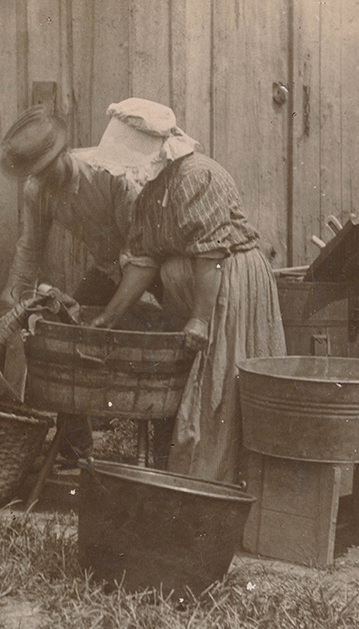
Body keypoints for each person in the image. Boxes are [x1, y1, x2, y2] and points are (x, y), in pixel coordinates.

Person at [0, 99, 199, 464]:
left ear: (64, 151)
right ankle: (75, 444)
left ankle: (166, 449)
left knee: (168, 345)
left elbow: (143, 251)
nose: (45, 177)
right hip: (110, 268)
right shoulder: (37, 191)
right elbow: (30, 249)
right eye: (36, 172)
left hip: (152, 264)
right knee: (68, 334)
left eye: (49, 167)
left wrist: (125, 306)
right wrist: (17, 300)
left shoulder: (110, 176)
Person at [91, 121, 287, 484]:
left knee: (222, 384)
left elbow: (210, 254)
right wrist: (110, 314)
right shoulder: (152, 192)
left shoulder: (196, 177)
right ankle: (195, 477)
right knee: (201, 385)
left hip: (227, 285)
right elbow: (144, 260)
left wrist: (200, 318)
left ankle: (223, 482)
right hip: (197, 290)